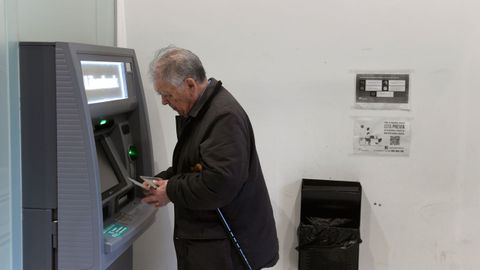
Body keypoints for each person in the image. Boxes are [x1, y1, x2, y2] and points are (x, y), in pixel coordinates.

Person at [142, 46, 279, 270]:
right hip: (216, 241)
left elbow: (220, 183)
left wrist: (170, 190)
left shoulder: (223, 117)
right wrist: (162, 180)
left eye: (167, 94)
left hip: (227, 247)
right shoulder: (204, 112)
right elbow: (195, 166)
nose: (165, 102)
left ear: (189, 84)